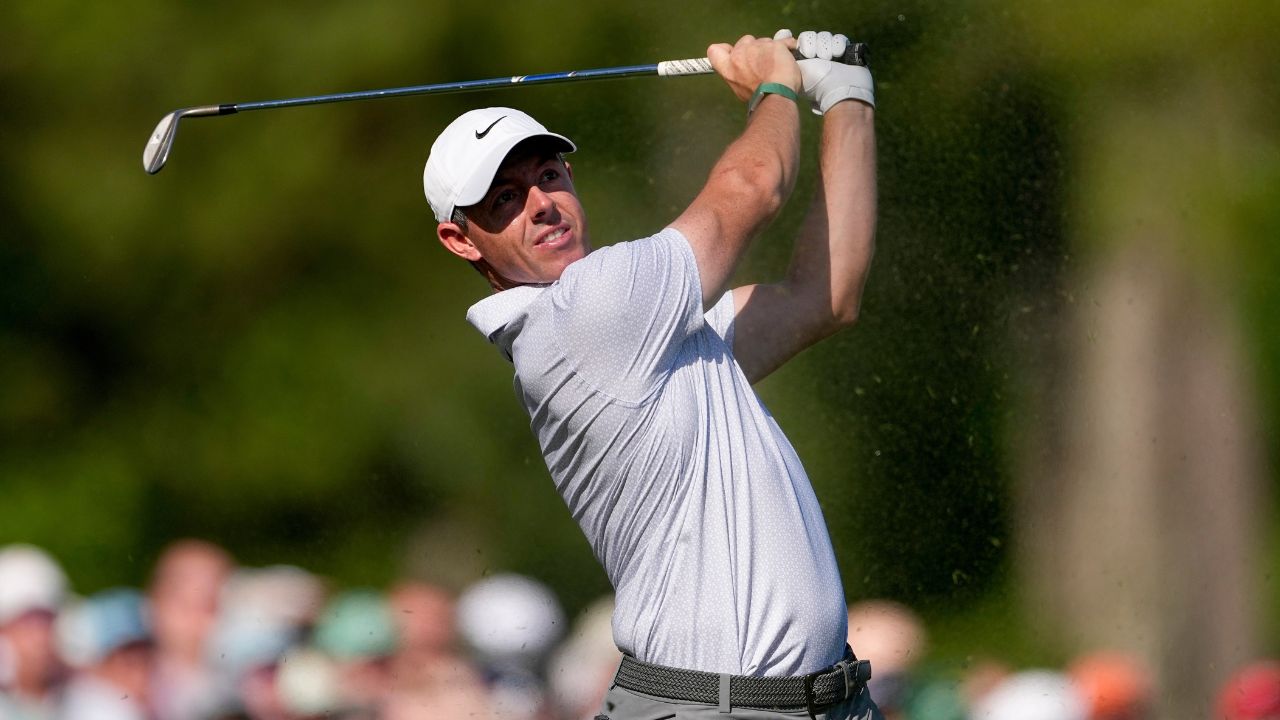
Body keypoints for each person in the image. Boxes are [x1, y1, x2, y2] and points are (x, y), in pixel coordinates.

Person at [423, 29, 878, 720]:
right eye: (503, 200)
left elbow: (827, 296)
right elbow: (752, 186)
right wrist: (774, 87)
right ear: (462, 240)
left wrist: (847, 99)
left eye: (548, 175)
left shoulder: (648, 336)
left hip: (826, 702)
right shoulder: (584, 312)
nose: (541, 203)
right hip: (714, 710)